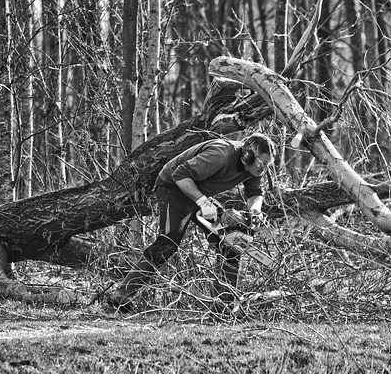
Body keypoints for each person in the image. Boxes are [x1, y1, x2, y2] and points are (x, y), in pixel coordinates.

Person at [106, 132, 276, 312]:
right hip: (173, 187)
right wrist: (203, 202)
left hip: (200, 192)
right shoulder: (220, 155)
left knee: (231, 241)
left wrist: (255, 211)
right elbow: (180, 175)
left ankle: (223, 305)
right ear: (248, 155)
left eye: (268, 165)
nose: (264, 169)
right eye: (262, 163)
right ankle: (121, 295)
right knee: (168, 242)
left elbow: (254, 192)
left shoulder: (253, 169)